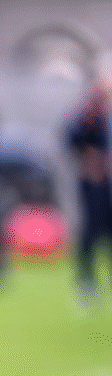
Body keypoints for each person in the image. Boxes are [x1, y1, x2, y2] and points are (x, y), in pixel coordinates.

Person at [67, 79, 112, 310]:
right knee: (89, 234)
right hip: (91, 187)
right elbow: (72, 142)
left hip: (106, 186)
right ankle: (87, 284)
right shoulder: (84, 121)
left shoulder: (106, 121)